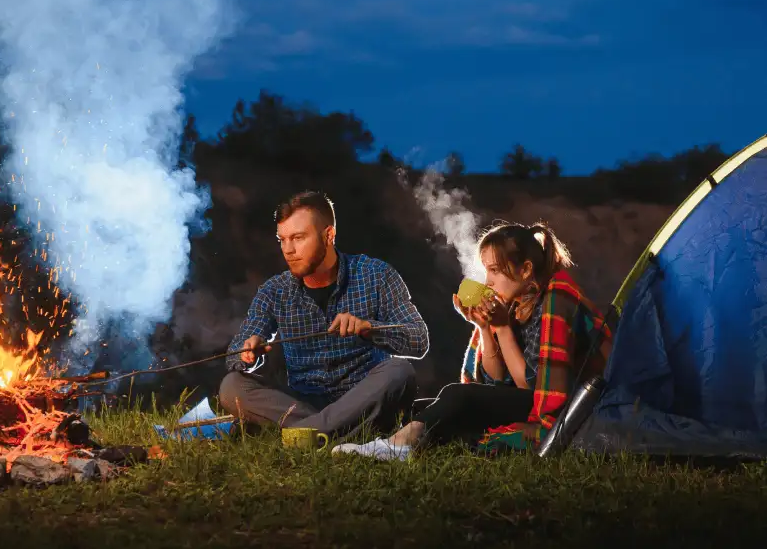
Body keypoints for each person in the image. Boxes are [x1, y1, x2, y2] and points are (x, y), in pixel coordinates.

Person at [332, 220, 613, 460]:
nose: (488, 281)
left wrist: (501, 329)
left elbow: (532, 387)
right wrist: (484, 328)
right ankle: (399, 441)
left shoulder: (556, 300)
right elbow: (494, 382)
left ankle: (399, 448)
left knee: (458, 396)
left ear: (525, 270)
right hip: (528, 400)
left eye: (495, 270)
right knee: (425, 407)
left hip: (568, 408)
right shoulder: (514, 306)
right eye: (486, 270)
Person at [218, 190, 430, 441]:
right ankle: (333, 433)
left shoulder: (376, 274)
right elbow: (235, 357)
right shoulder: (274, 291)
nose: (288, 249)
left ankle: (303, 434)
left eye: (298, 238)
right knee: (232, 386)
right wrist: (248, 352)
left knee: (399, 370)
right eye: (282, 240)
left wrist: (368, 328)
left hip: (365, 398)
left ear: (328, 235)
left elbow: (419, 340)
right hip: (303, 401)